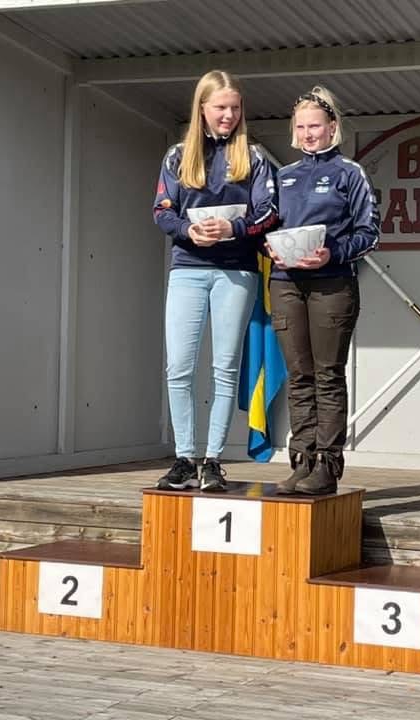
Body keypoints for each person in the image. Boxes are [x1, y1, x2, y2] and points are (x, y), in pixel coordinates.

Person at [152, 70, 277, 492]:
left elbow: (268, 212)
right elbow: (162, 211)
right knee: (179, 367)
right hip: (187, 268)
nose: (228, 115)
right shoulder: (177, 156)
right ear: (202, 108)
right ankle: (185, 458)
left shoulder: (254, 156)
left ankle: (213, 461)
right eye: (221, 107)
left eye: (235, 108)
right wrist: (188, 230)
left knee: (225, 367)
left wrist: (233, 229)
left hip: (236, 270)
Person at [266, 86, 379, 495]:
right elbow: (264, 225)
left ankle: (327, 467)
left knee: (327, 375)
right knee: (299, 376)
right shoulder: (282, 177)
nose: (308, 134)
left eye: (315, 126)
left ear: (332, 127)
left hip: (332, 283)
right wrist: (267, 247)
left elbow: (370, 232)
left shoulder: (350, 173)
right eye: (301, 127)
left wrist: (332, 253)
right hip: (286, 284)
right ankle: (302, 461)